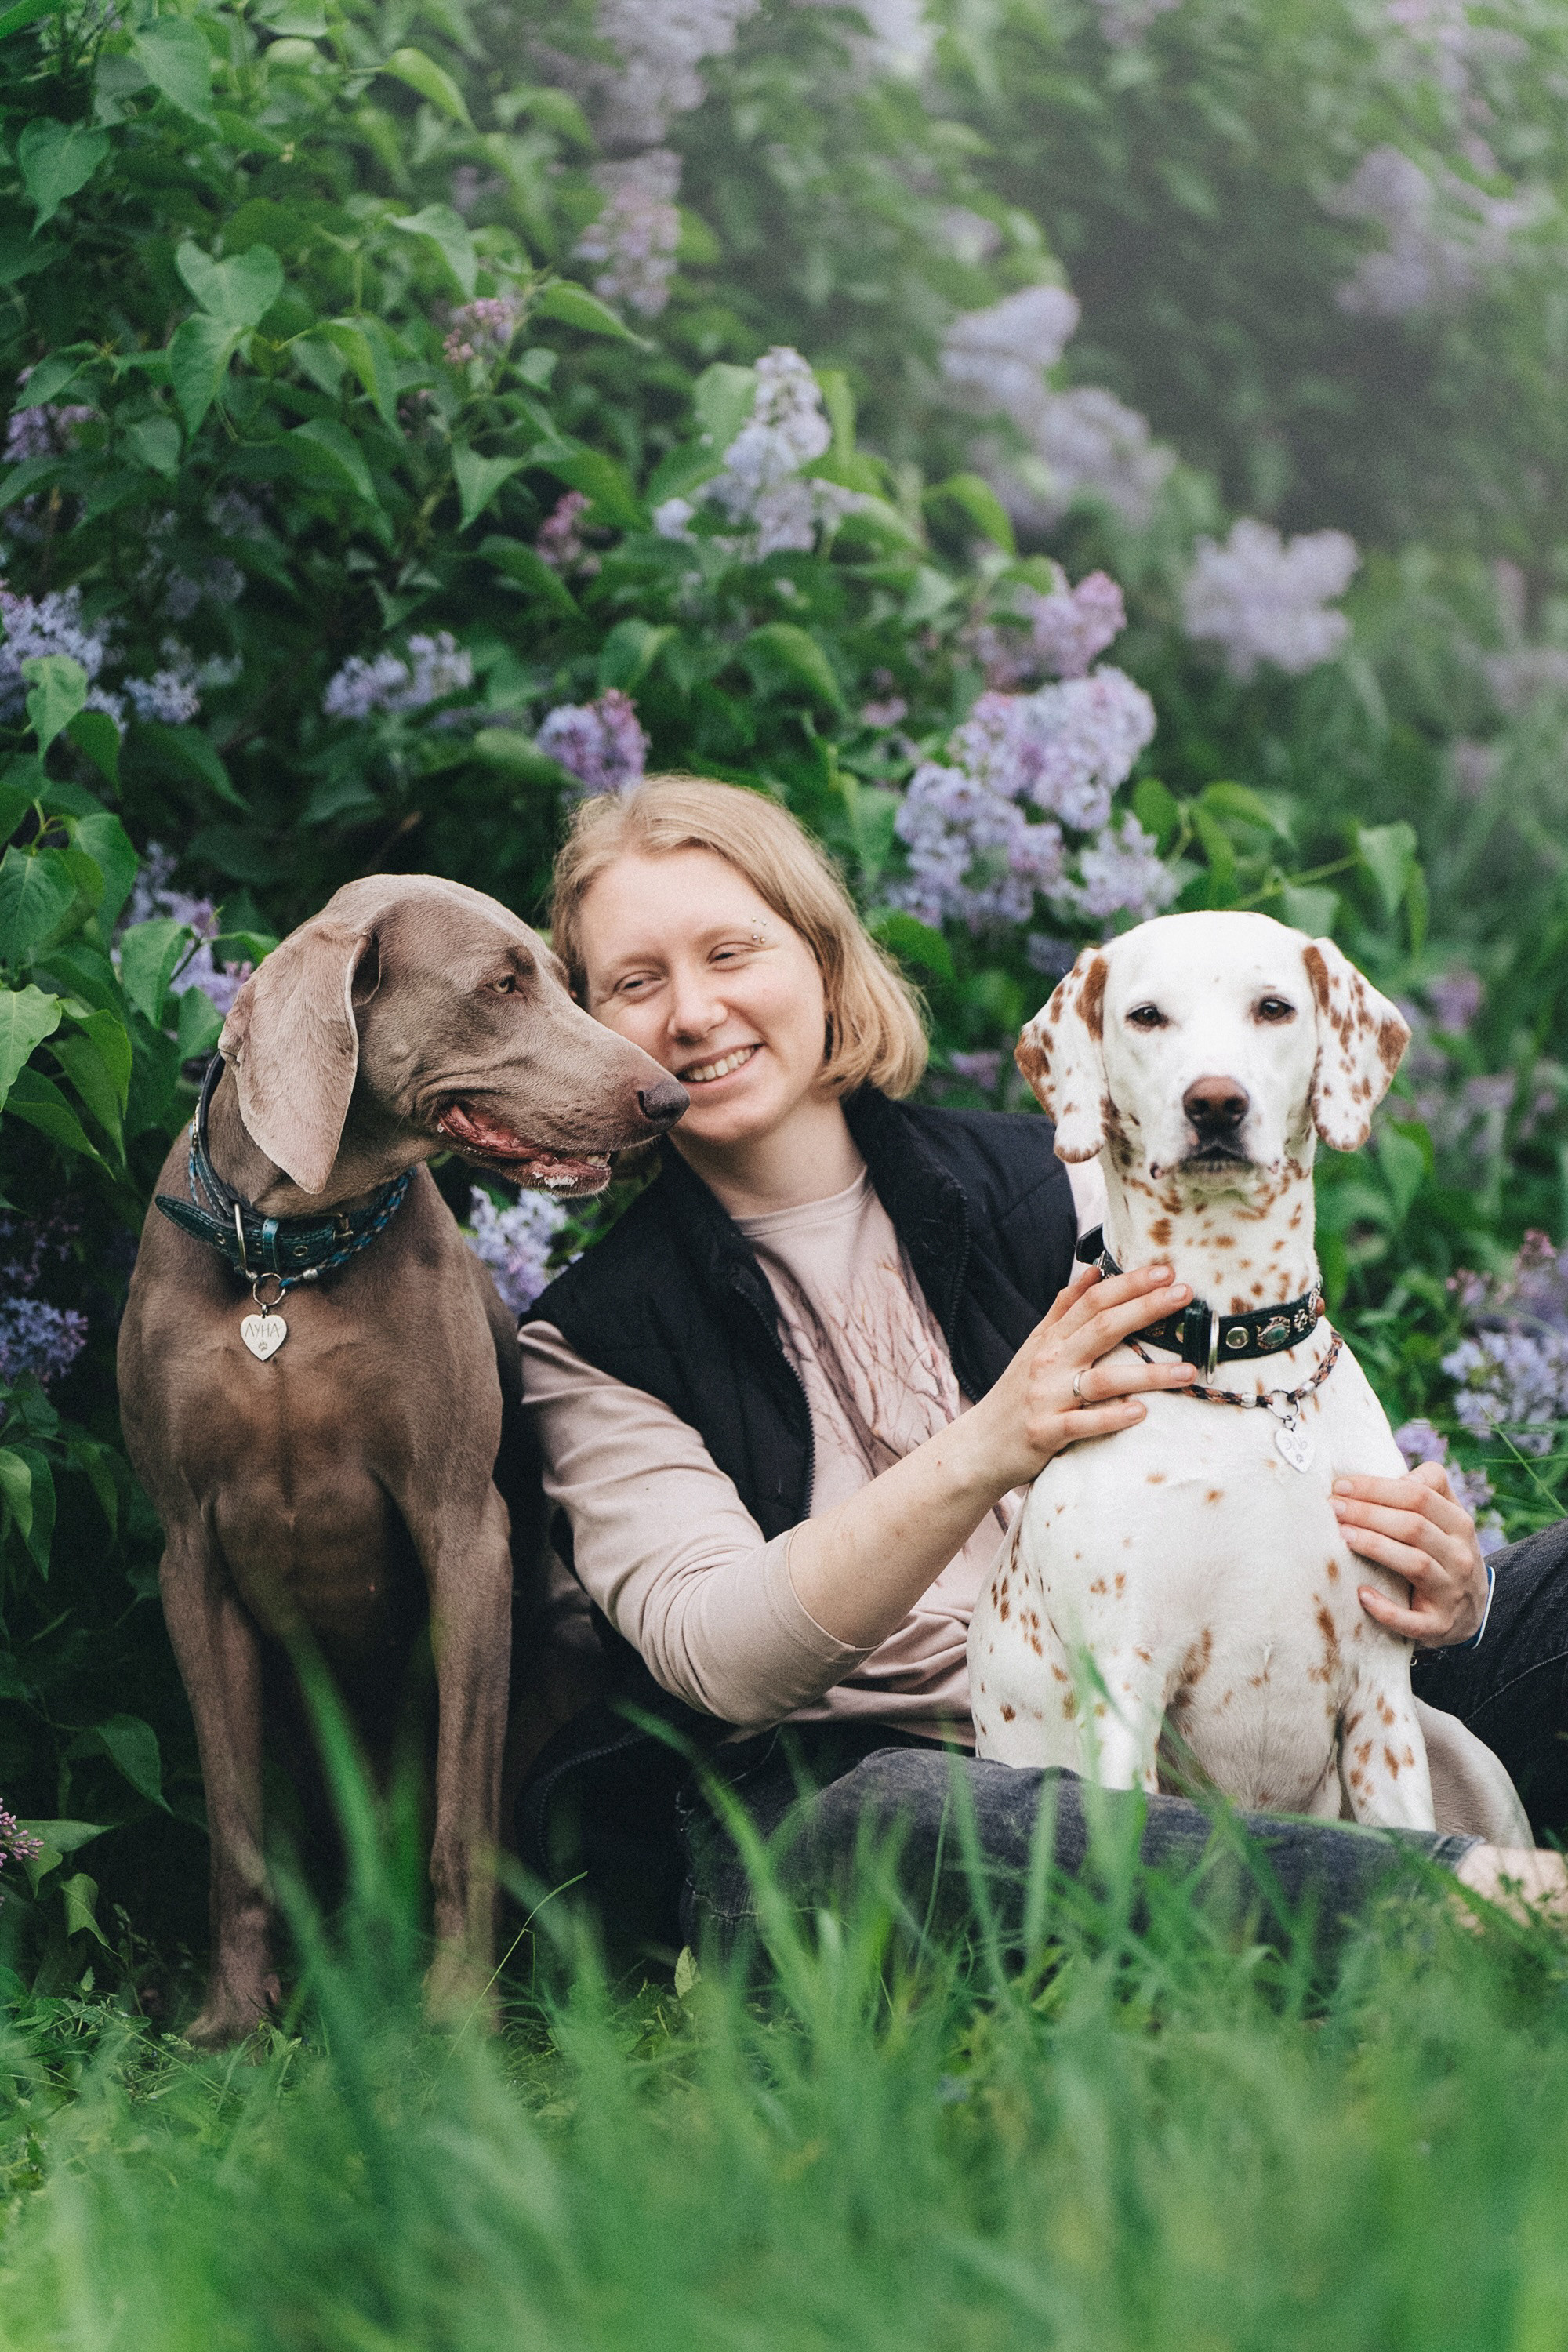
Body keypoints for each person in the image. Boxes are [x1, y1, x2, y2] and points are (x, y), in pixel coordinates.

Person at [515, 777, 1568, 1957]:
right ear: (589, 1027)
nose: (695, 1012)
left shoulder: (1073, 1172)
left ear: (820, 959)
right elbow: (720, 1658)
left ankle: (1390, 1892)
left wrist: (1445, 1601)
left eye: (729, 952)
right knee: (903, 1821)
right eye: (636, 984)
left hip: (1239, 1722)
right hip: (890, 1789)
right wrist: (985, 1446)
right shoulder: (592, 1340)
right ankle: (1483, 1909)